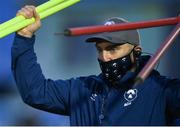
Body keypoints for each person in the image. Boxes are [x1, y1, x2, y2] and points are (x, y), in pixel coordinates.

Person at [11, 6, 180, 126]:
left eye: (113, 49)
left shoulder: (161, 90)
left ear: (136, 51)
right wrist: (24, 37)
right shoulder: (82, 89)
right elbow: (35, 92)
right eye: (100, 50)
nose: (105, 57)